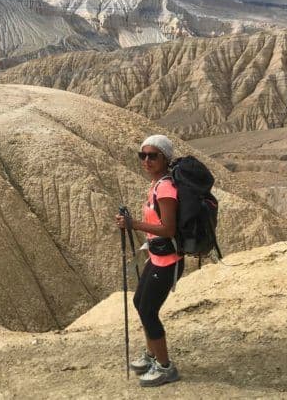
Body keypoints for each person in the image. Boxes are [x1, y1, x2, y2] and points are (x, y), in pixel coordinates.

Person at [115, 134, 183, 387]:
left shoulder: (165, 188)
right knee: (139, 302)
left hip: (168, 260)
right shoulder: (157, 184)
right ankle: (152, 355)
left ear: (165, 158)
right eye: (142, 155)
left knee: (148, 311)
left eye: (152, 156)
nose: (146, 160)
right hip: (158, 256)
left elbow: (169, 229)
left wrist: (133, 224)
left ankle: (166, 368)